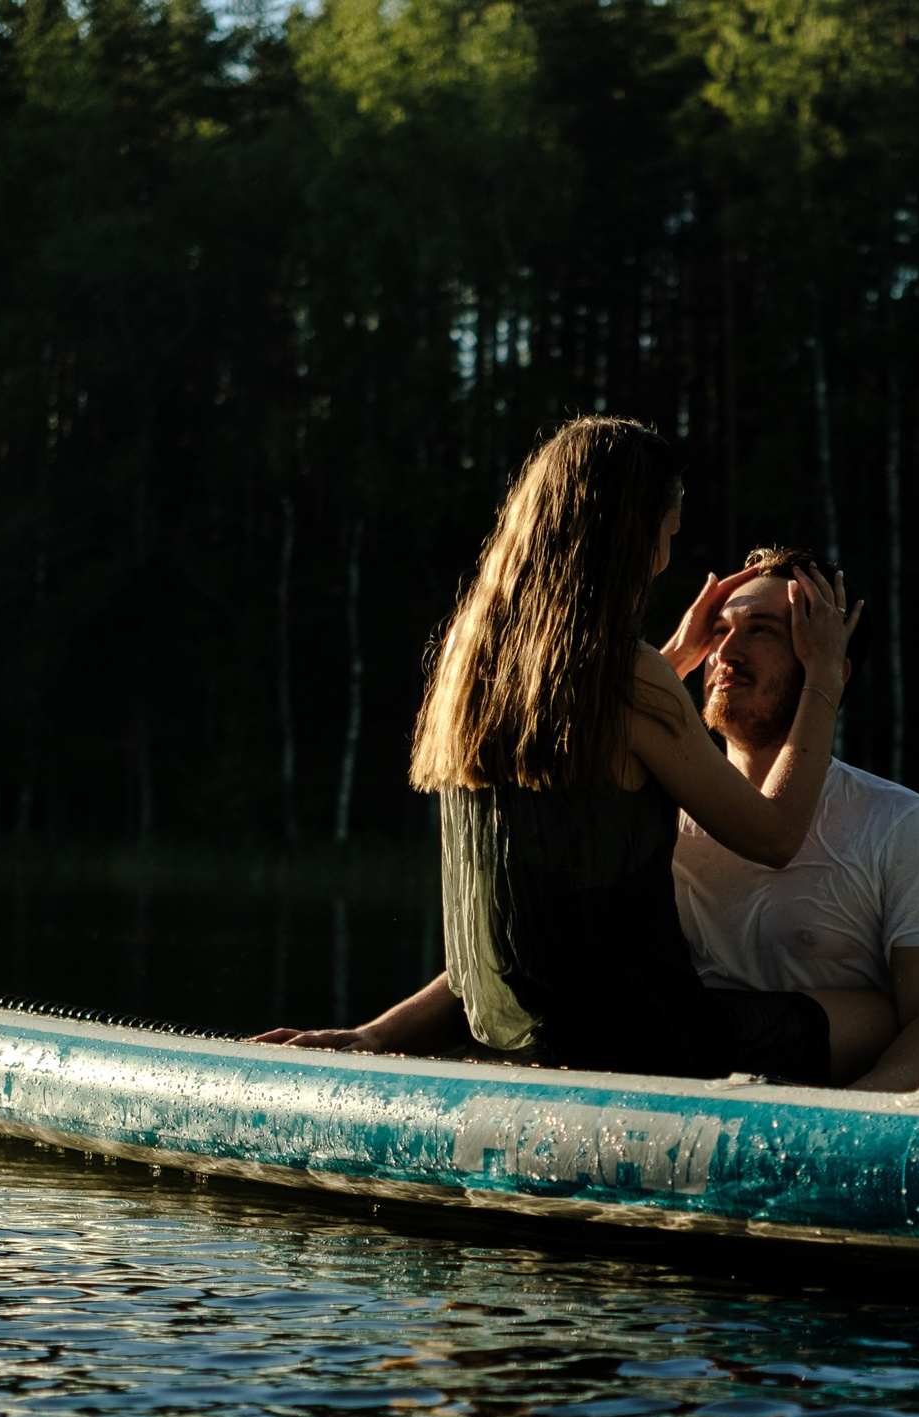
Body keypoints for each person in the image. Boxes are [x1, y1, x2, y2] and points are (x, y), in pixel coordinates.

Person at [251, 416, 882, 1083]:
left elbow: (536, 896)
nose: (665, 559)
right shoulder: (628, 679)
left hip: (506, 1034)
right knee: (890, 1017)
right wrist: (823, 677)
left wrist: (376, 1034)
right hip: (639, 1043)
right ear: (634, 536)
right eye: (666, 535)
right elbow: (778, 832)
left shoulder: (473, 664)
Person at [672, 547, 919, 1092]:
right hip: (685, 1085)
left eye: (763, 631)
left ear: (828, 668)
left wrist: (837, 1132)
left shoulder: (901, 825)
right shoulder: (651, 808)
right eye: (717, 630)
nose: (726, 651)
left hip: (835, 1119)